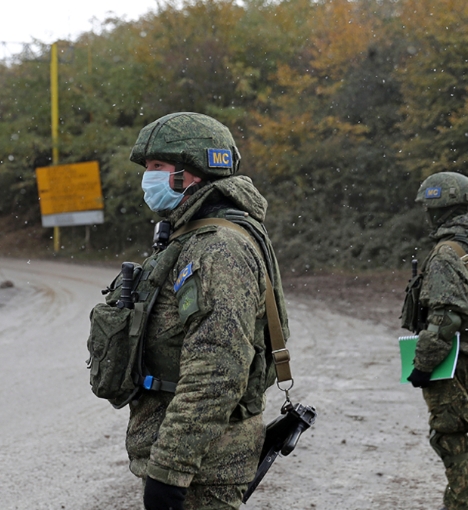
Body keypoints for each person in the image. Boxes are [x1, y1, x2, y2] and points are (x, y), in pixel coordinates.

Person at [124, 112, 290, 509]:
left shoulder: (219, 248)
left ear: (190, 174)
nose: (148, 178)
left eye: (158, 167)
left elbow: (217, 371)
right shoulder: (195, 235)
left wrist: (170, 471)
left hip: (205, 465)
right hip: (198, 457)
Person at [402, 172, 468, 510]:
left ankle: (463, 506)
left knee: (449, 438)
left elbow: (446, 317)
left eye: (429, 208)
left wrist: (422, 364)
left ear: (442, 209)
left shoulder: (450, 251)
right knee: (455, 437)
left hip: (453, 358)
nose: (427, 215)